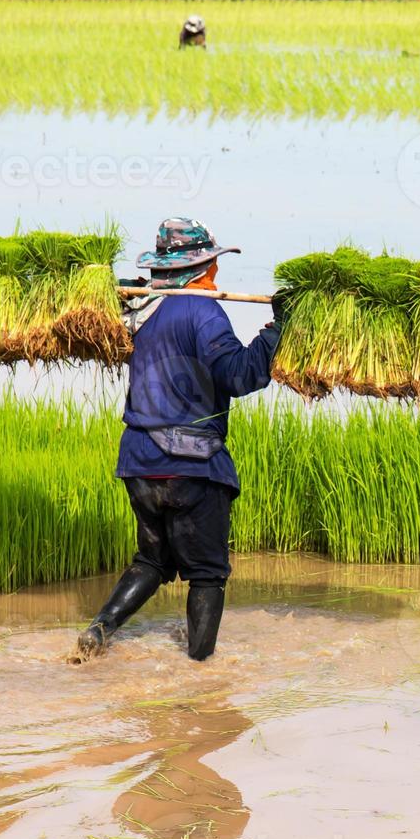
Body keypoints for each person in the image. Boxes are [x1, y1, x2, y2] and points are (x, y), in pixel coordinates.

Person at [75, 218, 285, 663]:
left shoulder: (140, 313)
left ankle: (98, 630)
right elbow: (239, 373)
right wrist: (274, 334)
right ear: (199, 269)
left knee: (153, 561)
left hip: (139, 464)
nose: (216, 276)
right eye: (212, 266)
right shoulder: (201, 310)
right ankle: (199, 669)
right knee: (207, 574)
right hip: (190, 469)